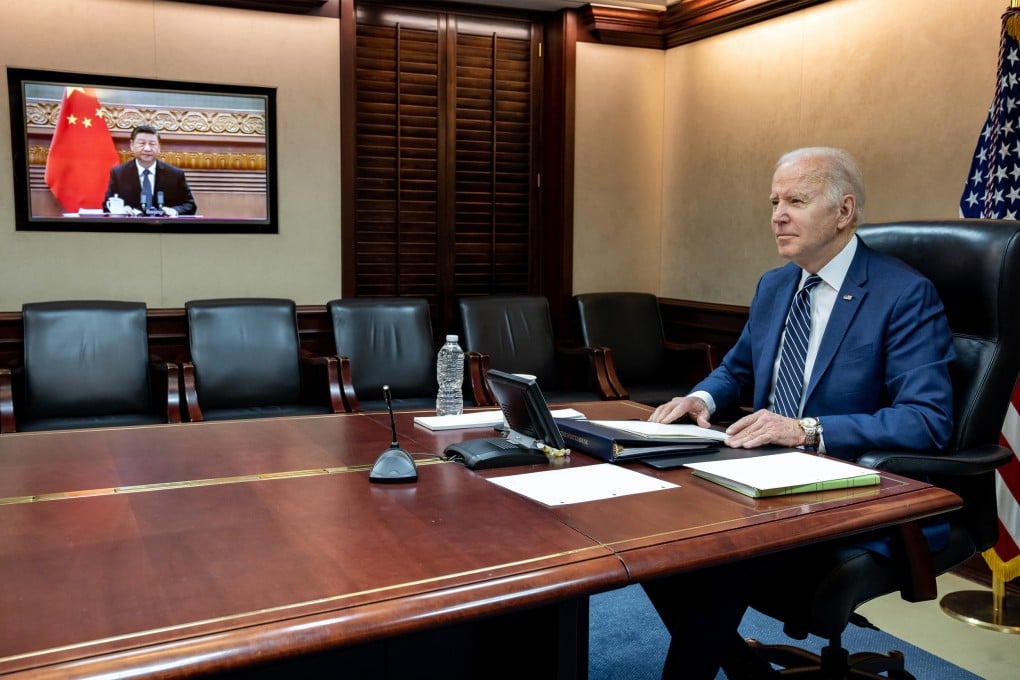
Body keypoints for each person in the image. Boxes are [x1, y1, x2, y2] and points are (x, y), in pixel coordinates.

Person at [642, 147, 955, 679]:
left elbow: (927, 418)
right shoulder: (775, 284)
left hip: (854, 487)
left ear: (844, 211)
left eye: (796, 200)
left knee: (718, 554)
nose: (777, 214)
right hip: (762, 475)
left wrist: (807, 430)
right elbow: (736, 369)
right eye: (774, 201)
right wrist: (702, 398)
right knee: (652, 537)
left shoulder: (903, 294)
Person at [105, 125, 197, 216]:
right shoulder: (119, 173)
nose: (147, 149)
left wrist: (174, 211)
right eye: (142, 143)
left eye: (152, 144)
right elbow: (106, 205)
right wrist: (120, 209)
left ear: (159, 147)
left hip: (164, 228)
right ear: (132, 145)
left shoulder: (175, 174)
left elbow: (190, 205)